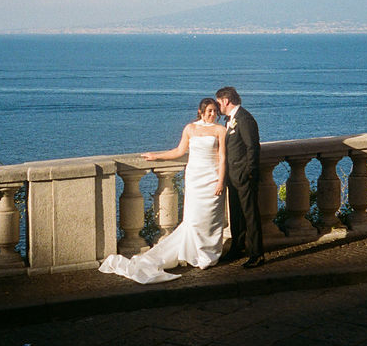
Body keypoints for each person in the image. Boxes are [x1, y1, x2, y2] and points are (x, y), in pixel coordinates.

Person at [98, 98, 227, 284]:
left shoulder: (220, 130)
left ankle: (207, 255)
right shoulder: (190, 128)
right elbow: (179, 151)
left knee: (210, 219)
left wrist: (220, 181)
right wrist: (156, 156)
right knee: (193, 219)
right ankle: (193, 253)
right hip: (195, 179)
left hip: (212, 178)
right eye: (209, 111)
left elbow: (223, 158)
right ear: (200, 112)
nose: (213, 114)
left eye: (215, 111)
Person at [215, 86, 264, 268]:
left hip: (244, 176)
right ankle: (237, 247)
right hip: (232, 177)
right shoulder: (231, 119)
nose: (218, 106)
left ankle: (257, 254)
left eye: (218, 103)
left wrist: (249, 172)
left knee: (250, 215)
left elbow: (253, 147)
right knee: (236, 214)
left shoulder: (244, 119)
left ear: (225, 101)